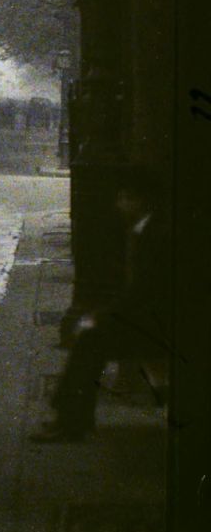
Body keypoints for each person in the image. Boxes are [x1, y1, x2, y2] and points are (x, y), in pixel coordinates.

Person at [33, 167, 171, 441]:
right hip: (154, 321)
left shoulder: (155, 234)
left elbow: (142, 292)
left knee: (90, 340)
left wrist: (100, 317)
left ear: (138, 200)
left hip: (161, 328)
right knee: (90, 339)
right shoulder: (148, 228)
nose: (119, 204)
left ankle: (71, 422)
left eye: (124, 197)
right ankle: (71, 419)